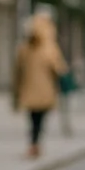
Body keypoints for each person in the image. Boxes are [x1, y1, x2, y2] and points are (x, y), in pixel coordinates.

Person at [14, 14, 68, 159]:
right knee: (40, 118)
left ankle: (34, 143)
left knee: (33, 118)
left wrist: (17, 91)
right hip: (45, 91)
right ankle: (36, 143)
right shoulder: (49, 48)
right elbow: (59, 69)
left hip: (29, 90)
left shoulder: (24, 48)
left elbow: (18, 71)